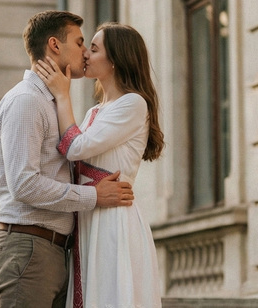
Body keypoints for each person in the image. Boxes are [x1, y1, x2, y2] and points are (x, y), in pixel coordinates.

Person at [0, 11, 136, 308]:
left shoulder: (51, 102)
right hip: (28, 250)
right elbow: (24, 185)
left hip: (50, 252)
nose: (85, 52)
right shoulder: (27, 101)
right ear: (55, 45)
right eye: (80, 43)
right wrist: (94, 195)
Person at [35, 22, 164, 308]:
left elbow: (74, 147)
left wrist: (62, 94)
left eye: (93, 49)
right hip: (90, 215)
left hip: (113, 220)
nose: (85, 55)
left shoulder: (133, 104)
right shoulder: (95, 110)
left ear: (116, 60)